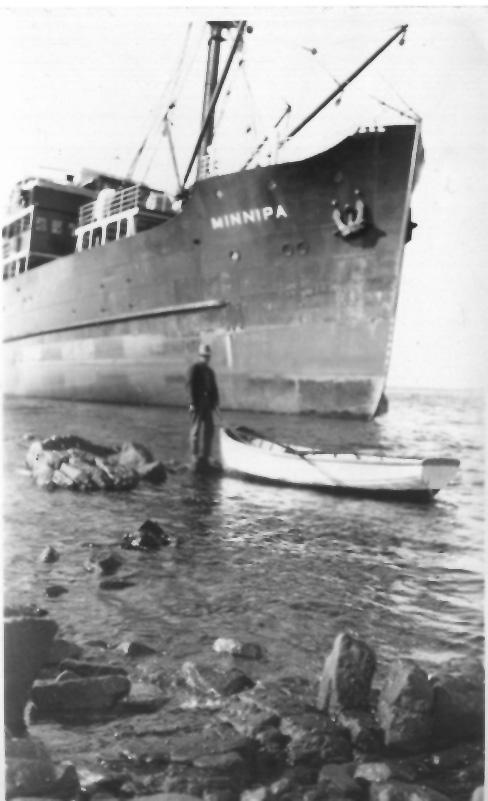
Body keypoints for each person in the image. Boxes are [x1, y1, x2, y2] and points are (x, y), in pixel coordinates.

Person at [186, 343, 220, 468]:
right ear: (199, 356)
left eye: (207, 356)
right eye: (204, 356)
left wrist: (215, 402)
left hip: (207, 404)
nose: (206, 358)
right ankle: (194, 455)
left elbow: (214, 388)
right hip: (196, 403)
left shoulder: (210, 372)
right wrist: (192, 403)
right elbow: (190, 386)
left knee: (209, 429)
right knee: (195, 430)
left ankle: (206, 455)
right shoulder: (194, 368)